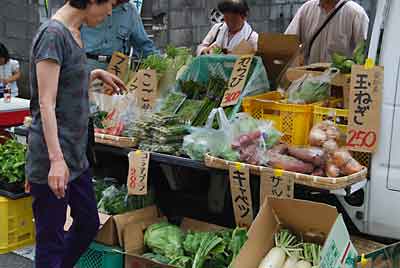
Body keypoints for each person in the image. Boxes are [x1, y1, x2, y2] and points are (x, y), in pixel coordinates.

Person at [26, 0, 126, 267]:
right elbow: (46, 102)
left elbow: (64, 78)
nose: (109, 13)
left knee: (88, 222)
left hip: (75, 155)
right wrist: (56, 161)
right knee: (51, 240)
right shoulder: (53, 35)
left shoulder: (74, 33)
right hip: (54, 157)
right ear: (92, 0)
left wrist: (94, 74)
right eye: (109, 5)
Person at [81, 0, 159, 71]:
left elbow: (144, 45)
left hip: (116, 70)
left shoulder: (130, 11)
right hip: (86, 67)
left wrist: (163, 62)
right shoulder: (90, 4)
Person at [285, 0, 369, 64]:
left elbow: (364, 54)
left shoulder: (356, 13)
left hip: (340, 81)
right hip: (309, 79)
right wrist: (297, 56)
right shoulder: (306, 9)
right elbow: (287, 43)